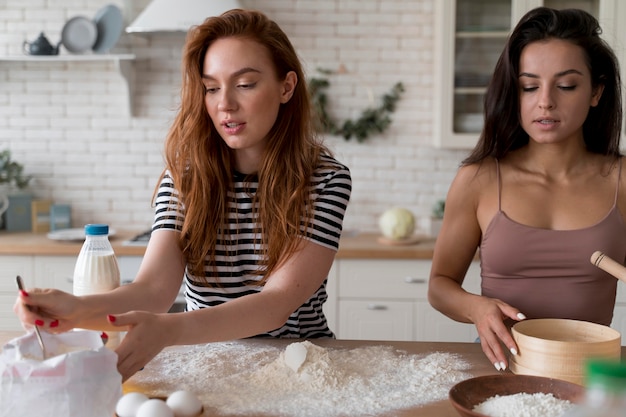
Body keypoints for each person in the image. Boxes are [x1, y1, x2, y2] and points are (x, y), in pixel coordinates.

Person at [14, 9, 352, 381]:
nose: (225, 104)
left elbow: (275, 304)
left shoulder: (323, 180)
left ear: (286, 86)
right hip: (208, 367)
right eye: (211, 87)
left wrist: (170, 329)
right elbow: (153, 290)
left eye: (245, 84)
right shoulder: (185, 179)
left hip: (300, 369)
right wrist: (75, 309)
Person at [428, 7, 625, 373]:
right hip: (502, 363)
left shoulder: (622, 180)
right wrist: (477, 307)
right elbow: (440, 285)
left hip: (590, 368)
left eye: (566, 85)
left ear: (596, 91)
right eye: (529, 86)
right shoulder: (479, 179)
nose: (545, 101)